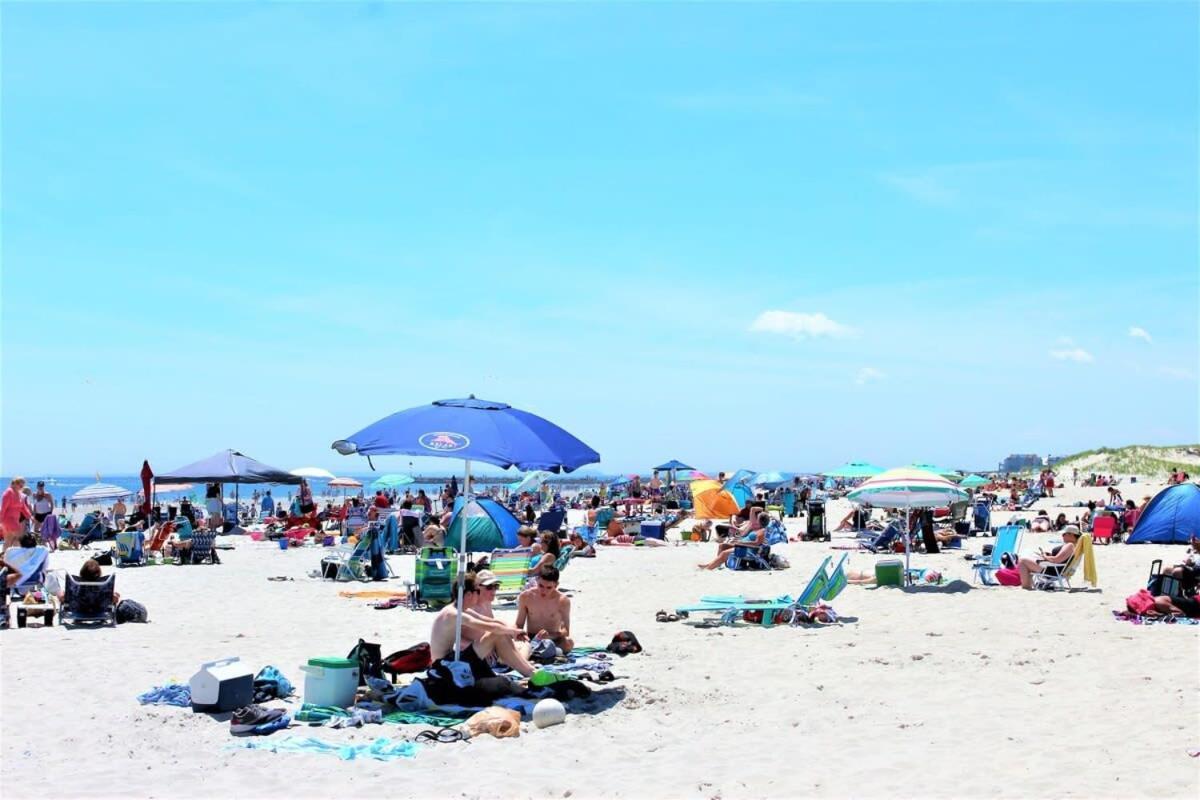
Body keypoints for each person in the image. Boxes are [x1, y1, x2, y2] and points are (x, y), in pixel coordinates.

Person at [428, 572, 536, 677]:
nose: (479, 595)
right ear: (469, 594)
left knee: (502, 635)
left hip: (450, 660)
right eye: (477, 592)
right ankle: (530, 672)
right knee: (496, 634)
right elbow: (488, 626)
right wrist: (513, 632)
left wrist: (513, 631)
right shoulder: (454, 614)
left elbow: (490, 621)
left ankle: (528, 670)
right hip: (444, 667)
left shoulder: (459, 609)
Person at [516, 564, 573, 654]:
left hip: (553, 638)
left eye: (549, 588)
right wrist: (520, 635)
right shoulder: (526, 596)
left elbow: (566, 630)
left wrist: (549, 636)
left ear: (556, 585)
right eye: (541, 586)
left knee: (569, 642)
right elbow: (519, 624)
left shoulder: (563, 601)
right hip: (531, 638)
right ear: (537, 580)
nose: (544, 591)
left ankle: (542, 653)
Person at [698, 512, 768, 570]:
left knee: (724, 553)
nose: (756, 519)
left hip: (746, 549)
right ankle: (714, 564)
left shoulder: (762, 531)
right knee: (722, 546)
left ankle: (708, 569)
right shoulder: (756, 528)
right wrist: (739, 540)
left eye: (757, 518)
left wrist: (742, 543)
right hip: (741, 545)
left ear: (760, 520)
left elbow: (757, 544)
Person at [1018, 525, 1080, 590]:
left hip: (1053, 570)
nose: (1062, 536)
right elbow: (1061, 558)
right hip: (1055, 568)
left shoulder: (1070, 545)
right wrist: (1048, 555)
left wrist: (1045, 556)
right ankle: (1027, 585)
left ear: (1071, 535)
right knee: (1030, 556)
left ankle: (1026, 586)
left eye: (1064, 534)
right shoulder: (1073, 546)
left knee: (1022, 560)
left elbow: (1056, 560)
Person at [54, 558, 120, 604]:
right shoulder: (103, 585)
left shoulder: (76, 584)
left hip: (79, 609)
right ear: (99, 572)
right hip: (99, 609)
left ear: (82, 572)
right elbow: (115, 599)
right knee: (116, 594)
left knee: (61, 593)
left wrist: (60, 593)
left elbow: (62, 598)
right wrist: (115, 595)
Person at [2, 477, 32, 549]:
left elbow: (23, 507)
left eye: (22, 485)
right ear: (14, 483)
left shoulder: (19, 494)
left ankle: (8, 556)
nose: (21, 487)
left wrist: (30, 517)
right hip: (8, 519)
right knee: (13, 539)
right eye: (20, 485)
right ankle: (6, 556)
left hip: (15, 520)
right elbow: (3, 508)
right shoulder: (9, 492)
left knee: (11, 540)